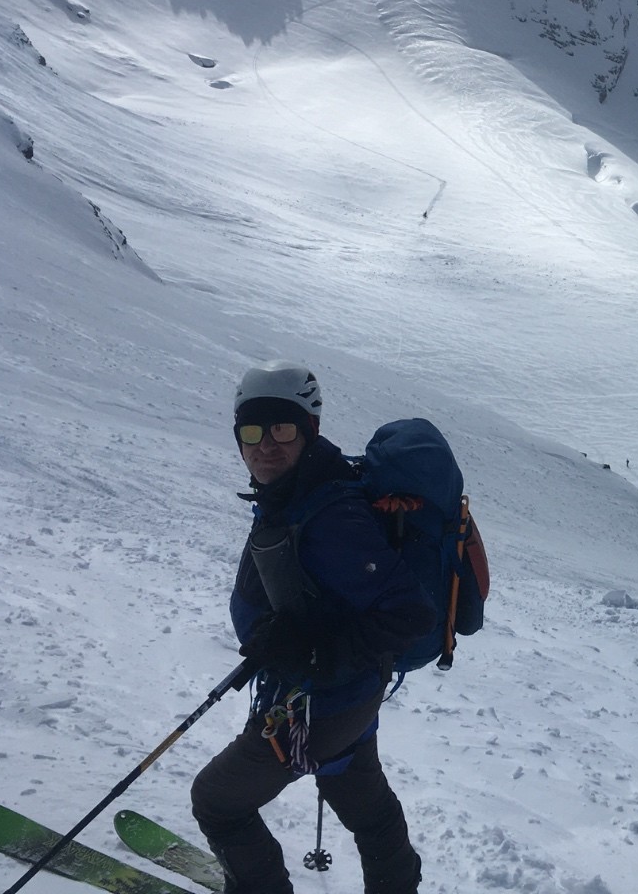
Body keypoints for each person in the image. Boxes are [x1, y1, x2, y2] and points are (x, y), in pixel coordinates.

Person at [192, 361, 437, 894]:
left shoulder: (332, 514)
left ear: (310, 432)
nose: (265, 446)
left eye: (282, 429)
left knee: (218, 801)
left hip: (317, 706)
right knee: (366, 808)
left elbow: (411, 612)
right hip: (346, 699)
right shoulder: (298, 494)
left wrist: (314, 654)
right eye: (251, 433)